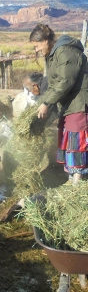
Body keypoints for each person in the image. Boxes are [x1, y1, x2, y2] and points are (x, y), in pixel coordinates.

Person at [29, 23, 88, 184]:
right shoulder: (53, 55)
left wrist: (46, 103)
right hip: (68, 103)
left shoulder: (65, 51)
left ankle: (78, 184)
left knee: (77, 140)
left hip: (79, 102)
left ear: (46, 40)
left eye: (37, 45)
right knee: (68, 140)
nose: (36, 50)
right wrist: (39, 105)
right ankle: (73, 179)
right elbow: (52, 84)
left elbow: (64, 81)